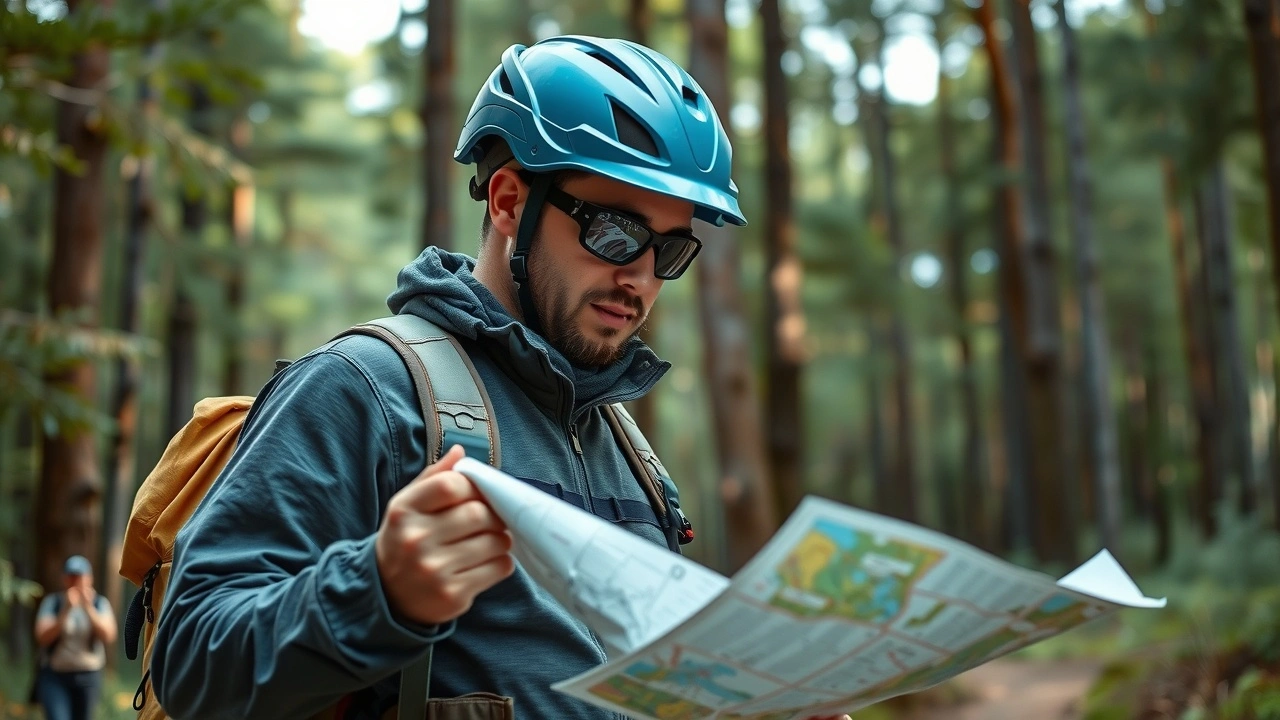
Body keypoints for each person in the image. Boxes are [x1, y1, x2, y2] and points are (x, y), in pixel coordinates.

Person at [151, 35, 847, 720]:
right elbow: (192, 665)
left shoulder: (625, 447)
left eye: (669, 250)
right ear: (511, 203)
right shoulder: (361, 389)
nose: (638, 276)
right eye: (615, 232)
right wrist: (379, 593)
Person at [33, 555, 117, 720]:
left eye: (80, 577)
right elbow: (42, 636)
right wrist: (65, 610)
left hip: (88, 677)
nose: (75, 581)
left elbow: (108, 636)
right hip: (55, 676)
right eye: (71, 576)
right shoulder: (53, 603)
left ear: (89, 579)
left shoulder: (100, 603)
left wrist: (88, 608)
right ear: (65, 579)